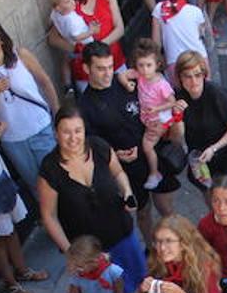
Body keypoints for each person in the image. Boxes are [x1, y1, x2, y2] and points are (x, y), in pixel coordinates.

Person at [36, 97, 148, 293]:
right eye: (66, 132)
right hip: (89, 252)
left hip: (121, 235)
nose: (73, 138)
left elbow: (119, 173)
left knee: (131, 288)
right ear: (56, 134)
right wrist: (71, 253)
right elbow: (49, 217)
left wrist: (127, 192)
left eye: (78, 131)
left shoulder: (98, 147)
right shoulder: (50, 169)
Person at [74, 43, 183, 233]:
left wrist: (164, 122)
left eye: (110, 66)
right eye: (100, 68)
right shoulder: (85, 106)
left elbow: (156, 93)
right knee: (143, 212)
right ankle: (150, 248)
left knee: (167, 208)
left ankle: (182, 244)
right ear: (86, 68)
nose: (108, 73)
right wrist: (115, 155)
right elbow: (92, 144)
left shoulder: (125, 82)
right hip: (128, 168)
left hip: (155, 154)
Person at [0, 16, 59, 197]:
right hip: (13, 140)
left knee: (57, 179)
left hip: (40, 128)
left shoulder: (21, 55)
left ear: (1, 38)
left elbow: (45, 81)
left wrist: (57, 113)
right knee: (36, 186)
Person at [49, 0, 126, 90]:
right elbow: (53, 38)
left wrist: (98, 47)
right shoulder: (70, 3)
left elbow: (119, 28)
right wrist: (78, 49)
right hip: (87, 72)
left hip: (113, 61)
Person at [174, 51, 227, 183]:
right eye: (187, 76)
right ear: (180, 78)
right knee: (208, 194)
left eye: (197, 75)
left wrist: (214, 148)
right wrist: (177, 117)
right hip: (199, 158)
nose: (193, 81)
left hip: (225, 155)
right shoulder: (178, 97)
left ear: (204, 75)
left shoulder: (217, 94)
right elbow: (177, 138)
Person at [128, 38, 186, 192]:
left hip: (160, 119)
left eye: (149, 65)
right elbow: (123, 75)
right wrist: (127, 82)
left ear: (157, 65)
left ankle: (154, 174)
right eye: (141, 65)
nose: (145, 69)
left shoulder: (161, 84)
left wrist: (157, 108)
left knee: (147, 146)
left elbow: (172, 102)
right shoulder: (139, 76)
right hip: (148, 118)